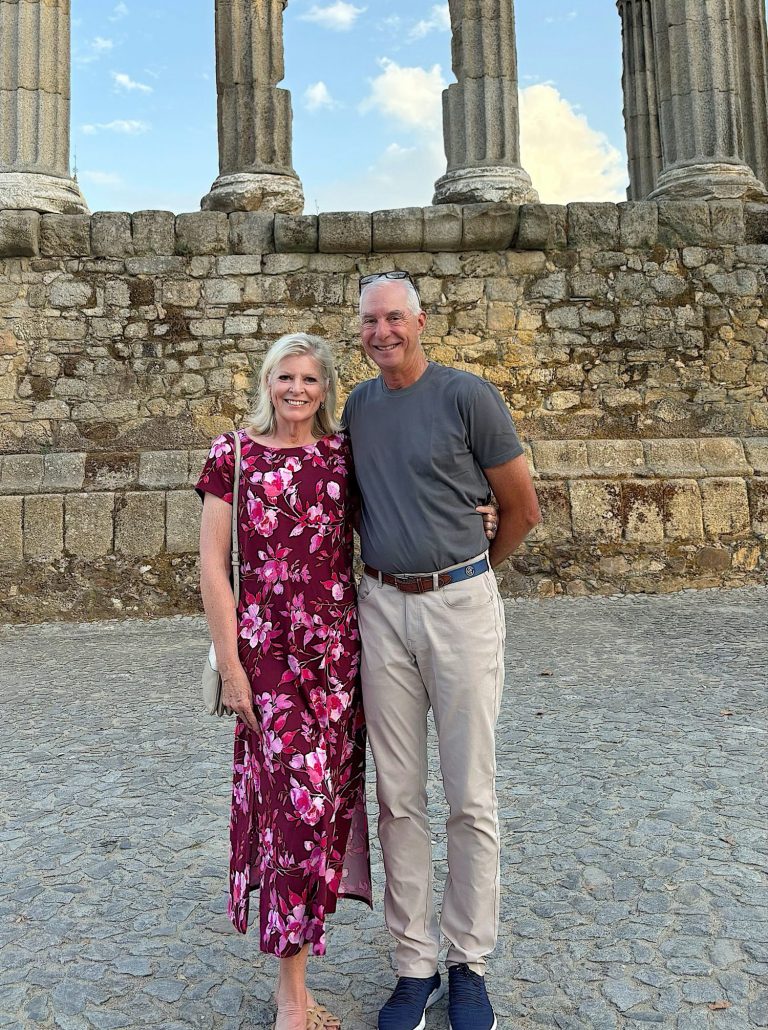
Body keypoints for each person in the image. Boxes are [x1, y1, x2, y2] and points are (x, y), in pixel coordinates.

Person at [343, 271, 541, 1030]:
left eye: (394, 317)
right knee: (397, 794)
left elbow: (522, 506)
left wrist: (474, 575)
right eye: (370, 320)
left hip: (460, 600)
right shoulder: (359, 407)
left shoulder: (468, 396)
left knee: (469, 794)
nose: (382, 331)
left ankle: (469, 963)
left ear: (420, 321)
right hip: (382, 606)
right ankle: (412, 963)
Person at [196, 333, 372, 1030]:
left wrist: (476, 514)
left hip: (335, 661)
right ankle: (291, 998)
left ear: (325, 389)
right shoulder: (232, 455)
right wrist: (232, 666)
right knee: (294, 816)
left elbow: (403, 507)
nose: (296, 389)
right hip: (267, 663)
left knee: (321, 813)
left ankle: (295, 975)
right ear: (266, 383)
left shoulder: (342, 457)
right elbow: (213, 566)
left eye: (309, 379)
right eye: (284, 377)